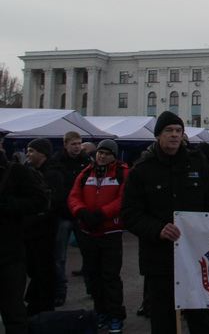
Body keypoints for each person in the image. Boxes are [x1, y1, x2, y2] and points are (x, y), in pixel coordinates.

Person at [121, 111, 209, 334]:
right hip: (159, 256)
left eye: (178, 131)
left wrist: (204, 227)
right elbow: (130, 213)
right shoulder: (142, 170)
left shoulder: (197, 165)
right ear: (158, 135)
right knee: (163, 317)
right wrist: (157, 229)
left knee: (201, 314)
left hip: (195, 254)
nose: (174, 135)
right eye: (169, 131)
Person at [67, 139, 129, 334]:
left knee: (110, 277)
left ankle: (115, 316)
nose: (102, 156)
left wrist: (101, 214)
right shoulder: (86, 172)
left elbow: (123, 199)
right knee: (94, 276)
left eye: (107, 154)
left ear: (114, 156)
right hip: (88, 231)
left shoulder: (122, 173)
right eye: (100, 153)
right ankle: (100, 312)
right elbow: (73, 196)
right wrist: (81, 212)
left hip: (110, 232)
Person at [0, 146, 49, 334]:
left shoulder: (15, 172)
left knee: (13, 310)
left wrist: (6, 203)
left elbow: (40, 202)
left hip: (9, 254)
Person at [24, 137, 66, 316]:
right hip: (32, 230)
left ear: (42, 153)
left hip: (46, 230)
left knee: (45, 267)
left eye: (31, 151)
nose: (28, 154)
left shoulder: (53, 174)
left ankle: (44, 306)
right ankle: (36, 302)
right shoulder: (30, 171)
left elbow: (53, 203)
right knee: (34, 268)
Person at [51, 131, 92, 306]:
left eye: (79, 143)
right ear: (65, 144)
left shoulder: (87, 162)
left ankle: (91, 286)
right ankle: (61, 291)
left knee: (88, 252)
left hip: (81, 213)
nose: (77, 147)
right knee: (59, 255)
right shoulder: (57, 162)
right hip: (64, 214)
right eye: (74, 144)